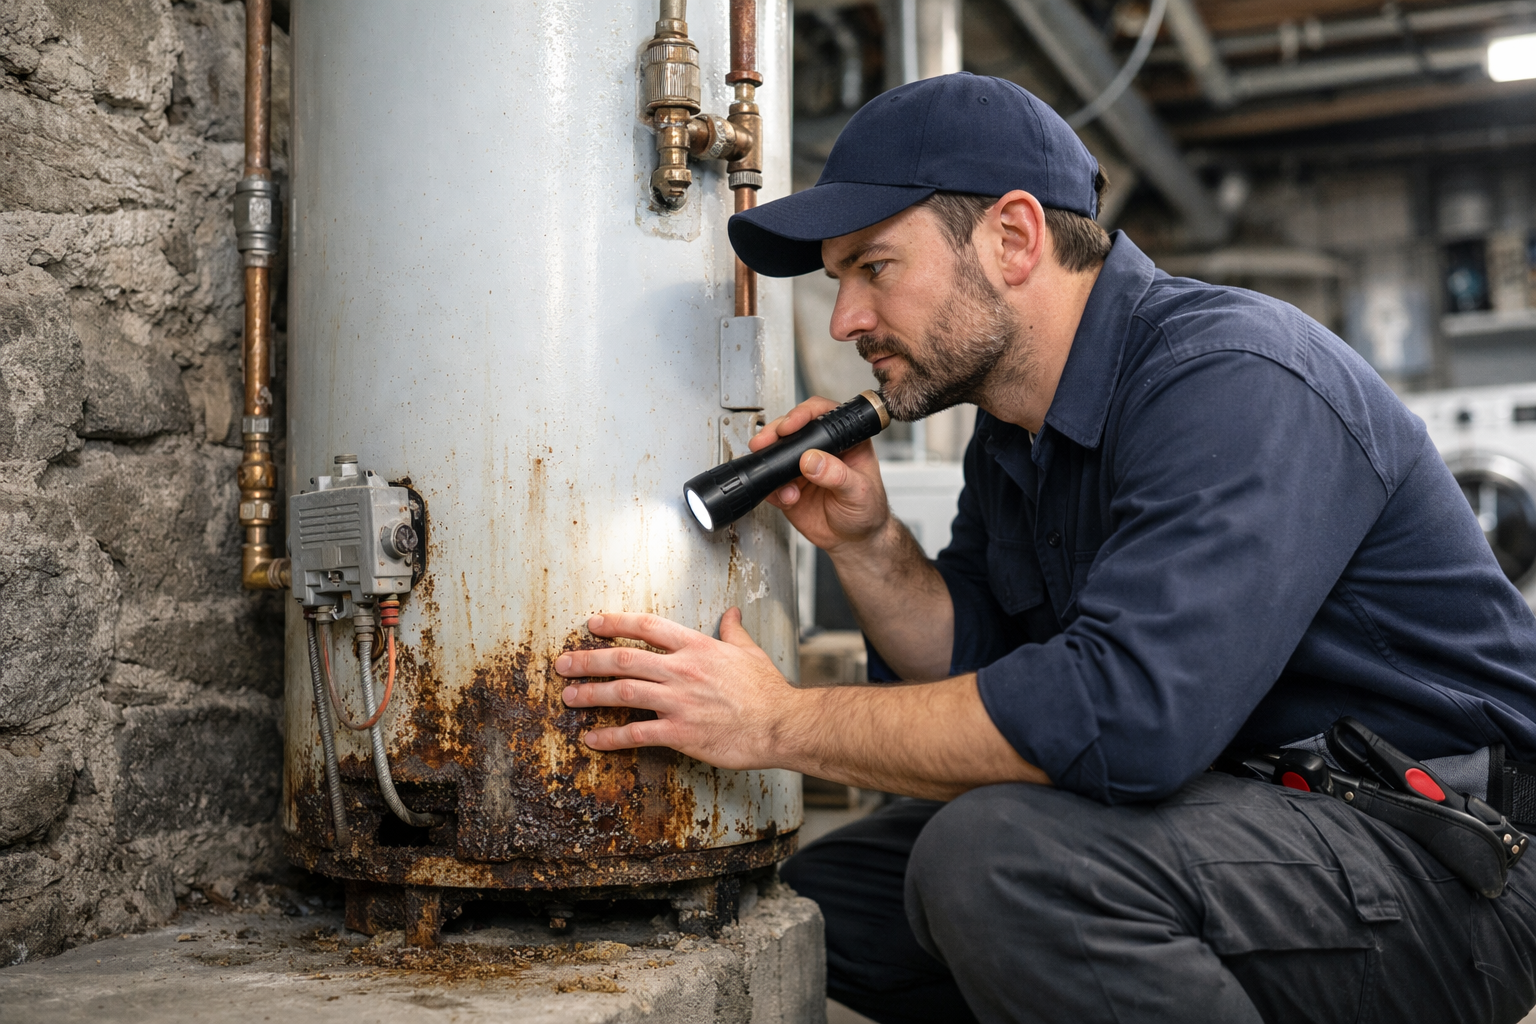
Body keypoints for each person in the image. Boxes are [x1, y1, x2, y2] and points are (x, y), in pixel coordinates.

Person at [553, 72, 1536, 1023]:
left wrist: (775, 722)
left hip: (1450, 856)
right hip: (1261, 822)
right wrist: (871, 546)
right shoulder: (1016, 433)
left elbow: (1126, 715)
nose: (847, 319)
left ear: (1015, 237)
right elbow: (987, 665)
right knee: (834, 893)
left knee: (998, 860)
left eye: (873, 267)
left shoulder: (1233, 377)